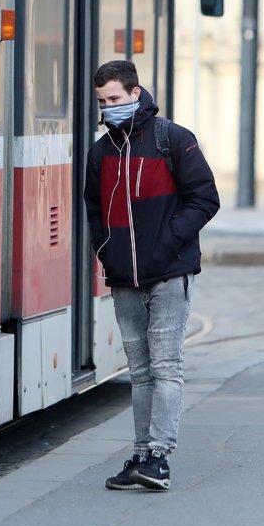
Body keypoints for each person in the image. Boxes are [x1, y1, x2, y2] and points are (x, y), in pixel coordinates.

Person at [83, 60, 219, 490]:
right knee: (139, 372)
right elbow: (93, 211)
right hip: (124, 278)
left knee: (166, 366)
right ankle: (141, 454)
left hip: (169, 274)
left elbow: (205, 199)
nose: (109, 107)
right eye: (103, 102)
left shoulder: (172, 139)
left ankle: (159, 457)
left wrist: (167, 242)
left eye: (116, 99)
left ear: (135, 93)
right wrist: (106, 253)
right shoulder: (100, 151)